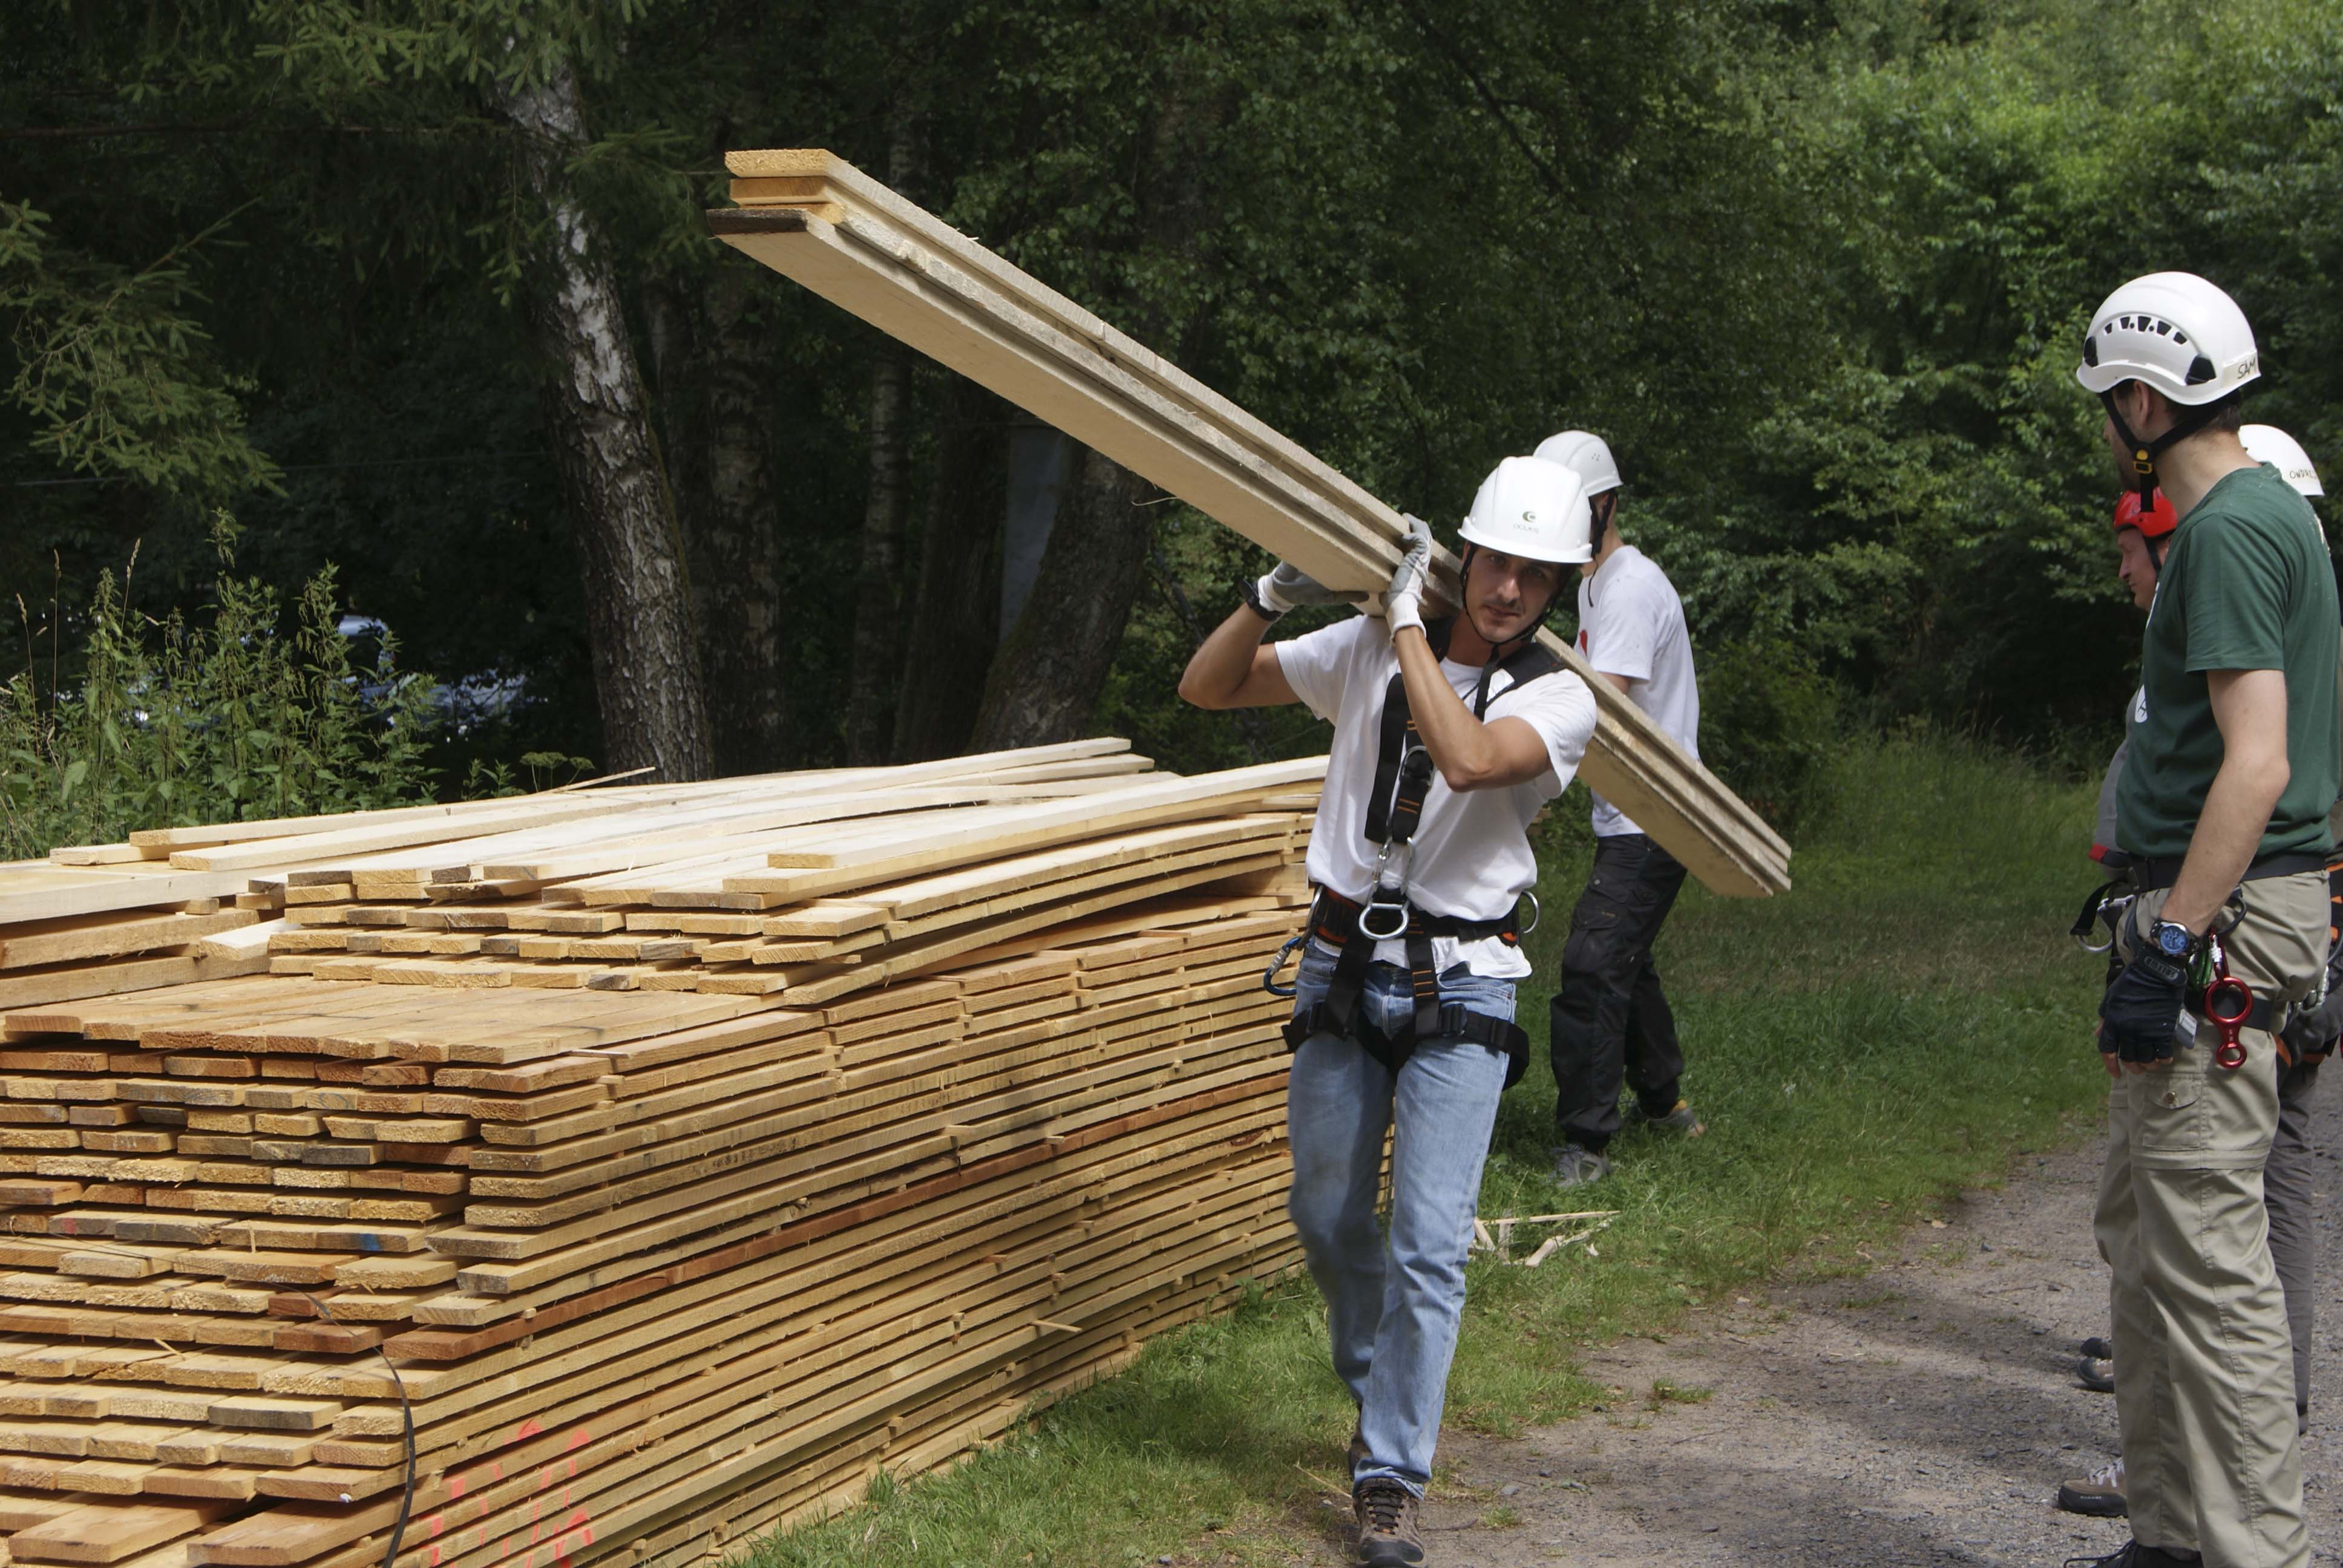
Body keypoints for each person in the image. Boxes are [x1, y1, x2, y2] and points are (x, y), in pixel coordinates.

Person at [1179, 456, 1599, 1568]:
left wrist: (1410, 620)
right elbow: (1207, 689)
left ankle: (1389, 1472)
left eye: (1534, 575)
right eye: (1496, 564)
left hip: (1461, 978)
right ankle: (1381, 1398)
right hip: (1337, 960)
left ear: (1558, 588)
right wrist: (1269, 596)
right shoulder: (1369, 644)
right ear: (1468, 557)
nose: (1509, 590)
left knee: (1427, 1244)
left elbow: (1462, 761)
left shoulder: (1561, 697)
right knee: (1323, 1211)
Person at [2069, 273, 2339, 1568]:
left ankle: (2252, 1555)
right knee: (2147, 1235)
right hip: (2222, 910)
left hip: (2215, 920)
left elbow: (2258, 763)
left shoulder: (2228, 532)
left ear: (2143, 397)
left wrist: (2172, 942)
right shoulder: (2268, 517)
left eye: (2109, 403)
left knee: (2213, 1267)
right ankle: (2170, 1536)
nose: (2108, 424)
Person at [1534, 430, 1704, 1187]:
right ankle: (1665, 1104)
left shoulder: (1629, 585)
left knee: (1592, 964)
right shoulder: (1592, 582)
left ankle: (1585, 1143)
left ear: (1603, 505)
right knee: (1625, 963)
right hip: (1629, 814)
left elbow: (1596, 711)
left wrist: (1526, 783)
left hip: (1654, 818)